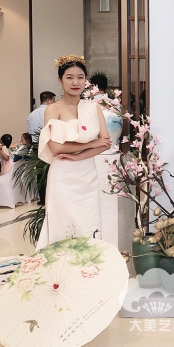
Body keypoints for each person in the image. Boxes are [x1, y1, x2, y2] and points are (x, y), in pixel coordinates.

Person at [36, 55, 111, 249]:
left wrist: (80, 155)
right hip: (63, 174)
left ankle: (89, 264)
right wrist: (92, 143)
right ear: (60, 80)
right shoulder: (53, 109)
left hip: (87, 173)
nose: (75, 82)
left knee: (88, 221)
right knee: (62, 223)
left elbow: (106, 143)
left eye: (80, 77)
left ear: (86, 80)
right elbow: (55, 147)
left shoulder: (93, 107)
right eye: (69, 77)